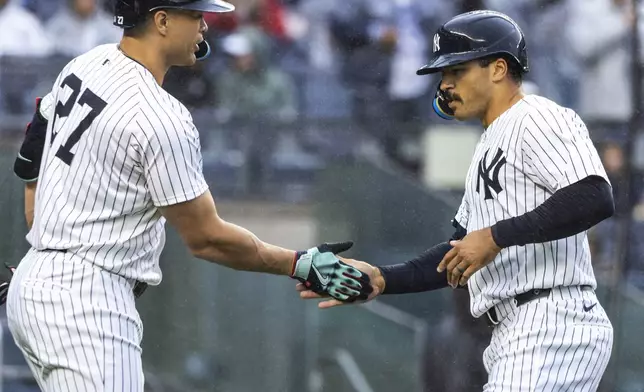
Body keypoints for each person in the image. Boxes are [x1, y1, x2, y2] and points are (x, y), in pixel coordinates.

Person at [3, 1, 372, 390]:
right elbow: (207, 239)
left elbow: (38, 129)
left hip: (36, 281)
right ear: (161, 20)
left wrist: (42, 240)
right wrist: (299, 264)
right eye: (195, 16)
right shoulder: (162, 118)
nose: (205, 26)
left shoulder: (85, 64)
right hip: (86, 301)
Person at [299, 10, 615, 391]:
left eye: (456, 72)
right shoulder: (489, 143)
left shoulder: (536, 116)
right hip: (514, 328)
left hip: (550, 318)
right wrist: (383, 278)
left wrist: (495, 236)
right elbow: (457, 253)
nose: (445, 86)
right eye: (444, 75)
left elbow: (594, 195)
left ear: (498, 68)